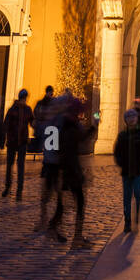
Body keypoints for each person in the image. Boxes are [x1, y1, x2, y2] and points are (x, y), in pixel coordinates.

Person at [50, 95, 96, 248]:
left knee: (63, 204)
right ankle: (77, 238)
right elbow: (82, 141)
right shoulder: (72, 125)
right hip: (71, 169)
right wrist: (94, 126)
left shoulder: (61, 123)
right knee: (80, 202)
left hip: (62, 168)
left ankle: (53, 227)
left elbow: (55, 146)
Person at [113, 107, 140, 232]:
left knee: (138, 193)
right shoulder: (122, 135)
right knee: (127, 197)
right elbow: (117, 151)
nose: (131, 119)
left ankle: (136, 215)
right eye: (129, 117)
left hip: (138, 170)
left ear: (136, 119)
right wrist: (120, 163)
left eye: (133, 117)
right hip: (126, 170)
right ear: (126, 120)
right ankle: (127, 220)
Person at [36, 91, 65, 230]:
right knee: (47, 195)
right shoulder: (50, 122)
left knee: (56, 194)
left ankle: (50, 219)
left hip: (55, 164)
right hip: (49, 163)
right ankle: (44, 219)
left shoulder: (59, 123)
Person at [2, 89, 34, 198]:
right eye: (24, 98)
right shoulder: (12, 109)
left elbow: (32, 122)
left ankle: (19, 191)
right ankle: (8, 187)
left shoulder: (28, 109)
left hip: (22, 142)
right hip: (12, 141)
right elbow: (6, 125)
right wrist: (3, 140)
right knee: (9, 166)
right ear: (21, 98)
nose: (25, 100)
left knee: (20, 166)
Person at [33, 86, 56, 152]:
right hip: (44, 128)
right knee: (46, 149)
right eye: (51, 93)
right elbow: (36, 113)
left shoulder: (41, 103)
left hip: (45, 128)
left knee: (47, 149)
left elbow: (36, 113)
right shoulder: (42, 103)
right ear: (48, 92)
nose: (52, 94)